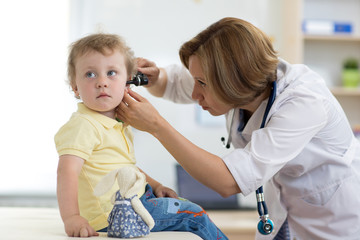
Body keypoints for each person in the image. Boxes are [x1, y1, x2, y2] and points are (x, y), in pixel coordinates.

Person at [117, 17, 360, 239]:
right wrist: (156, 77)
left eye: (201, 83)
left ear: (235, 80)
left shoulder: (304, 102)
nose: (194, 93)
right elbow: (171, 84)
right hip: (283, 218)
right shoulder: (240, 85)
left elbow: (228, 182)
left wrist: (157, 126)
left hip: (333, 224)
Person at [54, 33, 228, 240]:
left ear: (128, 83)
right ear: (75, 87)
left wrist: (155, 186)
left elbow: (125, 169)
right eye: (90, 75)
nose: (102, 82)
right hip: (114, 213)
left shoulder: (117, 123)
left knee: (186, 209)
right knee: (195, 215)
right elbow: (67, 172)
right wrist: (72, 217)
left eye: (111, 73)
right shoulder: (83, 125)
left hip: (135, 198)